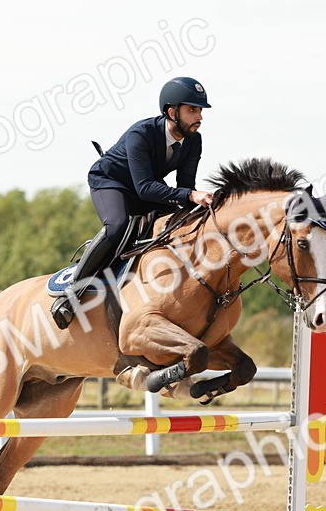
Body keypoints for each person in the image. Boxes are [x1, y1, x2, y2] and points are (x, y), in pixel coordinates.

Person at [51, 76, 216, 329]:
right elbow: (146, 188)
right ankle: (71, 292)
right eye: (192, 110)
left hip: (145, 189)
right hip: (110, 182)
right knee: (117, 226)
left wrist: (199, 205)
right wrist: (190, 196)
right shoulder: (141, 133)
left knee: (181, 222)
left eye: (200, 110)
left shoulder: (194, 140)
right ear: (172, 112)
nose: (199, 117)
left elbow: (185, 187)